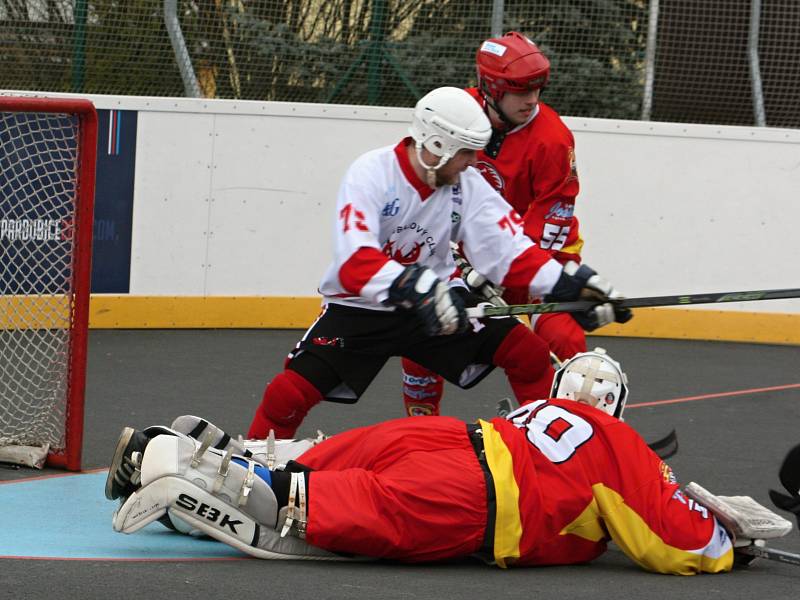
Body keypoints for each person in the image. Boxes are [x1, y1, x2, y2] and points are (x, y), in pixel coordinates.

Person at [107, 350, 792, 572]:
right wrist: (728, 541)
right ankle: (205, 478)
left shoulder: (537, 412)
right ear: (618, 404)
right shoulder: (619, 445)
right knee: (300, 511)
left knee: (309, 464)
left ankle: (171, 450)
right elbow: (670, 537)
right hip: (480, 496)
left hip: (452, 437)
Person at [244, 85, 630, 439]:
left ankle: (541, 458)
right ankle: (252, 469)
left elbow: (507, 250)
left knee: (527, 354)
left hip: (439, 303)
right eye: (465, 152)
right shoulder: (372, 173)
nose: (472, 162)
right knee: (286, 395)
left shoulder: (467, 184)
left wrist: (568, 284)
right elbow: (354, 259)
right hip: (364, 307)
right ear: (435, 143)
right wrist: (417, 287)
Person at [401, 32, 598, 417]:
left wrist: (498, 269)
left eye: (538, 89)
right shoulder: (455, 113)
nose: (533, 100)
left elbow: (552, 220)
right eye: (521, 91)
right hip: (464, 260)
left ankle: (567, 436)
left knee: (562, 340)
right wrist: (453, 257)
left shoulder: (553, 140)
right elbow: (425, 184)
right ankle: (420, 431)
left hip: (540, 256)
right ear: (491, 88)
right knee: (423, 334)